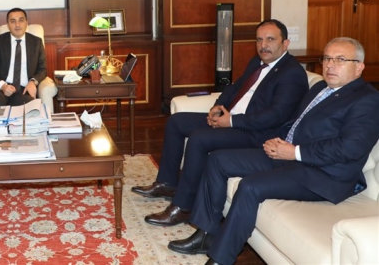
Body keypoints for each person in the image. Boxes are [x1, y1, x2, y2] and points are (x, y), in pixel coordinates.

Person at [168, 37, 379, 265]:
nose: (330, 65)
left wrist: (295, 151)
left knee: (250, 186)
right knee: (218, 160)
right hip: (289, 156)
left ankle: (221, 259)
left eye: (340, 60)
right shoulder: (320, 87)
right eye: (327, 58)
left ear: (359, 67)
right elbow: (294, 122)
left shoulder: (367, 100)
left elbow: (349, 148)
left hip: (324, 174)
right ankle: (206, 235)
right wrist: (277, 141)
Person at [132, 19, 308, 227]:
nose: (263, 45)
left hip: (257, 133)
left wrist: (231, 121)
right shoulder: (257, 62)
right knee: (176, 122)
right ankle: (167, 183)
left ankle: (184, 206)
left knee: (199, 138)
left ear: (285, 43)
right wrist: (218, 106)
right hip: (233, 120)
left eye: (270, 40)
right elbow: (235, 88)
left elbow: (275, 116)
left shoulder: (292, 73)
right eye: (259, 40)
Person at [0, 7, 47, 107]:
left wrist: (33, 82)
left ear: (26, 23)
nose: (17, 25)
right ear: (8, 25)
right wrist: (3, 86)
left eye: (21, 20)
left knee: (29, 109)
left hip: (23, 90)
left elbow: (42, 69)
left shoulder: (36, 42)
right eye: (13, 21)